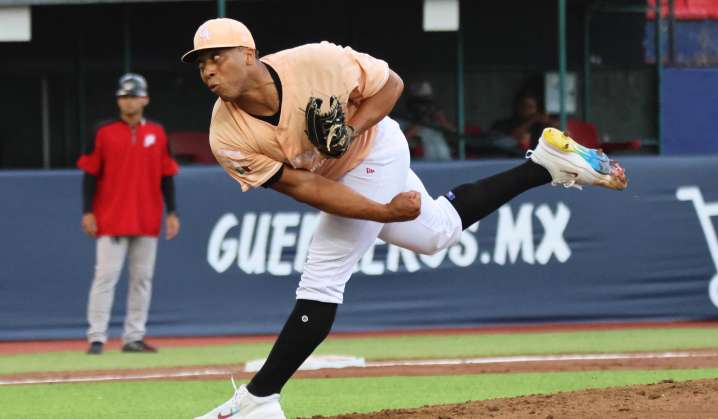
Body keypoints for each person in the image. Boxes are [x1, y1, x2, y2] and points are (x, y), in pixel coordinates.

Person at [182, 18, 626, 419]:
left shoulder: (314, 62)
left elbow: (390, 85)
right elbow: (303, 187)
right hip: (336, 176)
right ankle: (544, 166)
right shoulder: (225, 133)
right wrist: (383, 213)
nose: (208, 71)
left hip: (376, 150)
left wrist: (352, 128)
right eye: (201, 63)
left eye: (215, 57)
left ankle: (260, 399)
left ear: (248, 54)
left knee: (321, 279)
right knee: (436, 233)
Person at [77, 73, 180, 355]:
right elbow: (89, 175)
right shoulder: (103, 131)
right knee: (105, 278)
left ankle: (133, 336)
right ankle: (96, 337)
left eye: (133, 95)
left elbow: (166, 176)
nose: (128, 101)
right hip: (111, 219)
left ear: (145, 99)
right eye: (123, 96)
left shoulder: (157, 133)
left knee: (142, 279)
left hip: (147, 218)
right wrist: (87, 211)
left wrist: (172, 212)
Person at [398, 81, 454, 160]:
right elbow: (398, 142)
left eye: (427, 102)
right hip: (421, 165)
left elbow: (454, 131)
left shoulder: (434, 118)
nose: (424, 107)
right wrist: (420, 124)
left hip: (444, 161)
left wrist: (442, 121)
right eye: (420, 102)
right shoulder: (402, 120)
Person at [491, 88, 558, 152]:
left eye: (530, 107)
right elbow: (511, 138)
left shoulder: (539, 125)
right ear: (518, 106)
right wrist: (532, 120)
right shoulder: (505, 124)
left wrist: (548, 122)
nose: (526, 109)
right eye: (524, 106)